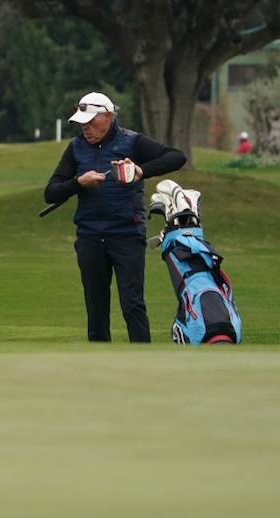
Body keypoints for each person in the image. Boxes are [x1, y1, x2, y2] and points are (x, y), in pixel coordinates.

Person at [43, 91, 186, 343]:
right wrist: (79, 182)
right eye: (82, 123)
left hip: (127, 235)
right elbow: (51, 192)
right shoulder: (76, 148)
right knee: (95, 308)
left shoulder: (131, 142)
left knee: (132, 304)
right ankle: (99, 367)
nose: (85, 128)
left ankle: (142, 363)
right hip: (89, 236)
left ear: (108, 116)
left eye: (91, 122)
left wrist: (141, 170)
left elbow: (176, 157)